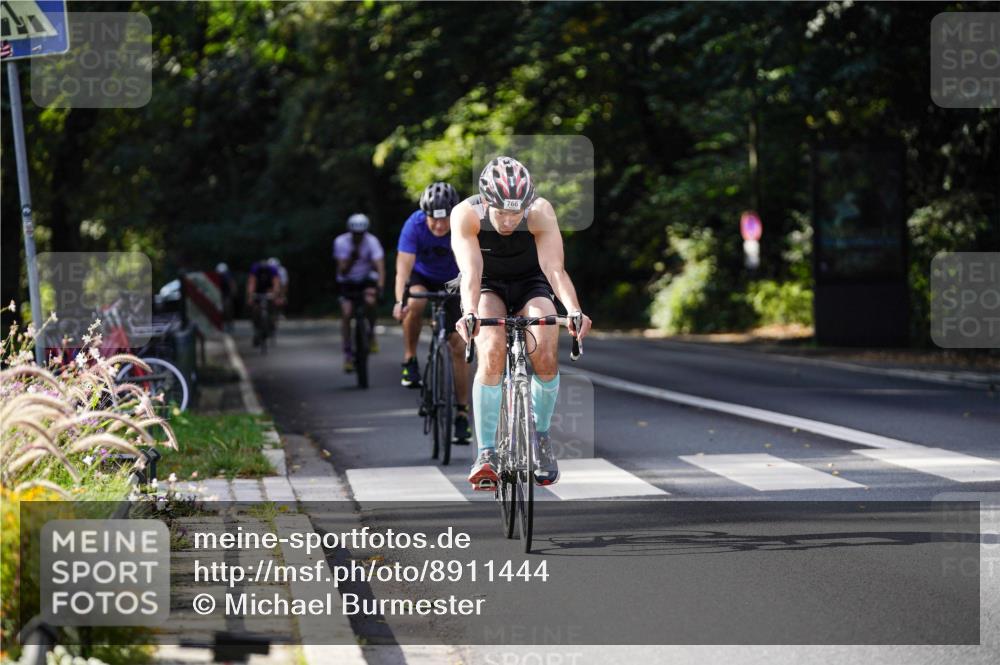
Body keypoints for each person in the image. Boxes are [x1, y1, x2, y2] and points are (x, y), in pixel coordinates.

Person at [452, 156, 592, 489]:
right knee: (492, 348)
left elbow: (554, 269)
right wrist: (469, 313)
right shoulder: (466, 214)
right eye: (501, 212)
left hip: (531, 282)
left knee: (544, 345)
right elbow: (471, 272)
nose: (509, 220)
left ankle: (540, 438)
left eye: (516, 213)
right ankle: (486, 452)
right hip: (487, 283)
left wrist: (573, 309)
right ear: (487, 203)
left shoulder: (540, 211)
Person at [393, 181, 472, 443]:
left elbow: (475, 264)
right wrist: (399, 301)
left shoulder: (464, 223)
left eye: (445, 220)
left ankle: (461, 414)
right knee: (415, 304)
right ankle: (410, 359)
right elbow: (403, 267)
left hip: (455, 281)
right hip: (422, 277)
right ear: (424, 215)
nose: (439, 226)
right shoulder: (413, 225)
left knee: (459, 347)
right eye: (433, 220)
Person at [334, 213, 385, 372]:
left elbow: (380, 267)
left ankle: (371, 334)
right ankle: (348, 353)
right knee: (347, 313)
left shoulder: (372, 242)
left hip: (366, 279)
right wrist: (352, 256)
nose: (358, 237)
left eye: (361, 234)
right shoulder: (341, 242)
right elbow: (342, 270)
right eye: (356, 234)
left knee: (370, 301)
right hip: (347, 281)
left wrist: (380, 287)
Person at [246, 259, 281, 346]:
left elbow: (276, 284)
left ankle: (271, 326)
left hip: (268, 290)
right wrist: (250, 296)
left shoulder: (272, 270)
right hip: (257, 291)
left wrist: (276, 295)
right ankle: (256, 330)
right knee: (255, 310)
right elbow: (251, 283)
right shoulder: (255, 269)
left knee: (272, 307)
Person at [216, 262, 237, 332]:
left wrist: (233, 293)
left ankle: (229, 324)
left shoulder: (228, 276)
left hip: (227, 295)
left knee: (227, 308)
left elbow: (232, 284)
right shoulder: (216, 277)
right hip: (218, 294)